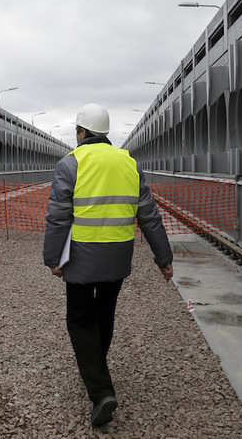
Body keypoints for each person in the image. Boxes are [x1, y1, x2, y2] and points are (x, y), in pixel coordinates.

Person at [43, 103, 173, 427]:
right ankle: (96, 369)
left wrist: (51, 259)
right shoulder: (129, 163)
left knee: (79, 320)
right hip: (118, 256)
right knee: (104, 316)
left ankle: (101, 391)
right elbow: (149, 215)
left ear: (82, 132)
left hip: (82, 257)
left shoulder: (70, 164)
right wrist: (164, 258)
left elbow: (58, 218)